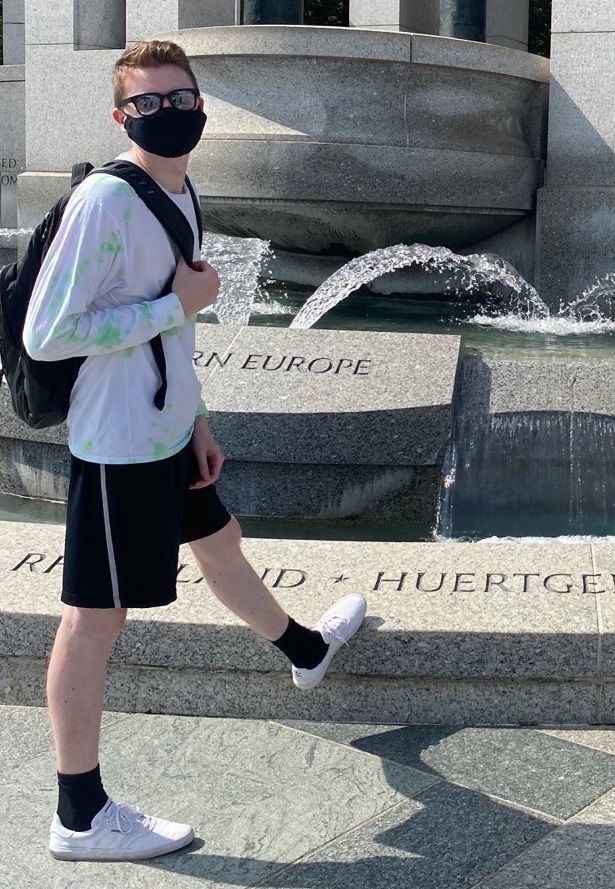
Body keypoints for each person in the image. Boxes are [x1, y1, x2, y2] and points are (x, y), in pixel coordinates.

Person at [24, 40, 368, 861]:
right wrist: (171, 304)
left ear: (202, 105)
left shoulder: (180, 190)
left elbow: (170, 322)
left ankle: (307, 652)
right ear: (121, 116)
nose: (167, 112)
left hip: (166, 429)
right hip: (117, 444)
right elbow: (47, 333)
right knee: (92, 619)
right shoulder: (105, 202)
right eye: (147, 104)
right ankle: (79, 815)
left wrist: (198, 416)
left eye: (180, 97)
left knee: (219, 544)